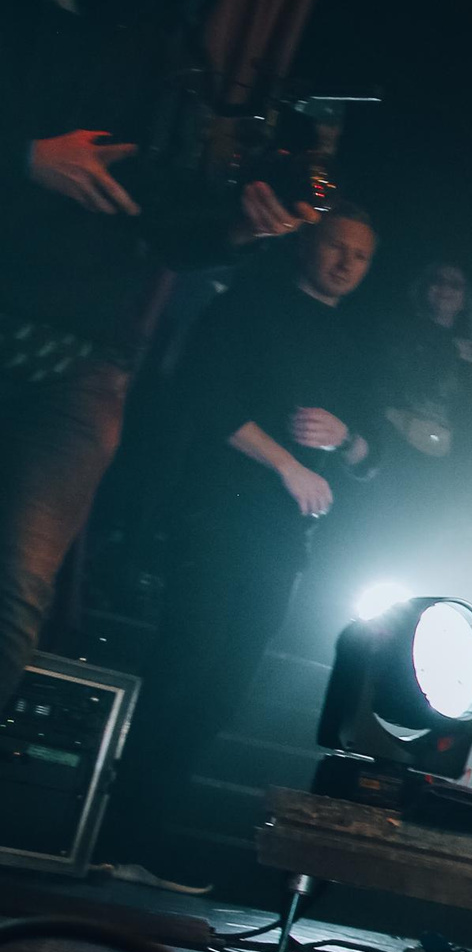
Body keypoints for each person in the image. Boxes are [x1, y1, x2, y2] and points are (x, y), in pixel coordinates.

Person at [0, 0, 315, 693]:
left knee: (13, 595)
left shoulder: (163, 61)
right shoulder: (15, 12)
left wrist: (242, 226)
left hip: (78, 364)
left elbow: (169, 223)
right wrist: (25, 156)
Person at [101, 208, 380, 886]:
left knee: (224, 686)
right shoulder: (250, 307)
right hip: (216, 512)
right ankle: (112, 836)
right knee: (185, 664)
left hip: (282, 537)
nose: (346, 262)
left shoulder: (354, 344)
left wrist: (344, 438)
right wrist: (286, 463)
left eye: (361, 256)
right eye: (337, 246)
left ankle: (141, 841)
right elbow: (202, 393)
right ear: (310, 245)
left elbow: (375, 456)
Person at [381, 261, 472, 463]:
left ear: (464, 299)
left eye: (455, 285)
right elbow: (398, 380)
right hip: (403, 447)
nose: (445, 288)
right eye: (437, 281)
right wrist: (449, 352)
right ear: (424, 288)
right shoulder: (401, 333)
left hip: (454, 457)